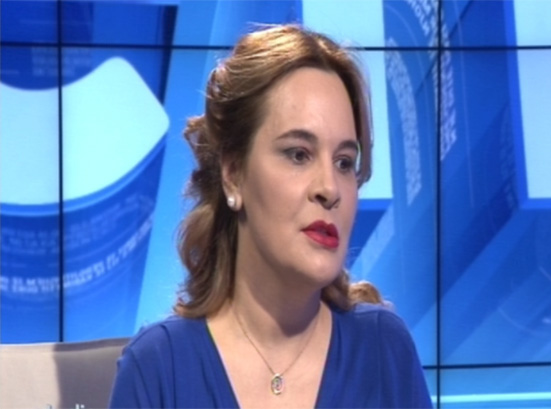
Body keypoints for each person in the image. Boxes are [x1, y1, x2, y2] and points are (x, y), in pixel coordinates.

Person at [109, 24, 432, 409]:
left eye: (344, 162)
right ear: (233, 174)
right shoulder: (159, 368)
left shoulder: (384, 350)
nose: (329, 188)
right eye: (298, 154)